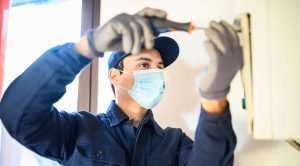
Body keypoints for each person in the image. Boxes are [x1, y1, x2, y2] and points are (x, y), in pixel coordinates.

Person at [0, 7, 243, 166]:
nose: (156, 73)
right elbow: (18, 115)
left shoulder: (175, 142)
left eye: (159, 67)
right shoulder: (79, 131)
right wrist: (86, 47)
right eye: (144, 64)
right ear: (115, 76)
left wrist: (214, 98)